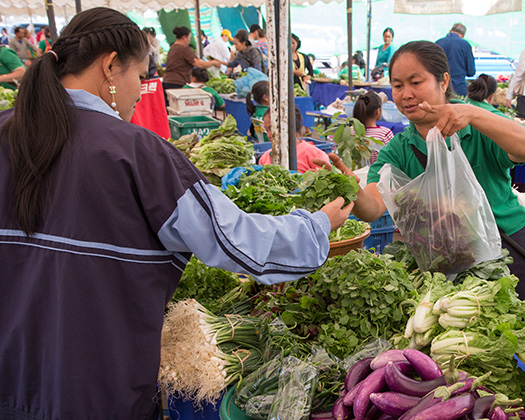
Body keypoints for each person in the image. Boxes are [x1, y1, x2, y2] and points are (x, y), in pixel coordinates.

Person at [0, 7, 352, 419]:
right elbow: (234, 240)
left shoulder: (6, 130)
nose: (141, 91)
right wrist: (317, 225)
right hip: (97, 388)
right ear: (110, 67)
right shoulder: (136, 153)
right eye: (141, 75)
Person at [315, 41, 525, 308]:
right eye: (398, 85)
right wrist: (351, 189)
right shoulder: (399, 150)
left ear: (444, 81)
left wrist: (472, 113)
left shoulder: (479, 124)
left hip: (508, 250)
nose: (406, 94)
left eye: (416, 82)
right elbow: (372, 207)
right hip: (447, 260)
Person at [258, 107, 330, 173]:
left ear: (290, 126)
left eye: (272, 129)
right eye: (267, 130)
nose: (269, 135)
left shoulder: (314, 155)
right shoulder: (265, 158)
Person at [162, 26, 221, 103]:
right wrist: (213, 62)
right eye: (189, 38)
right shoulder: (183, 49)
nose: (189, 40)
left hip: (167, 81)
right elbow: (199, 64)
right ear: (184, 37)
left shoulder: (173, 47)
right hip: (177, 82)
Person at [352, 90, 394, 163]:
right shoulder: (385, 134)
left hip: (353, 170)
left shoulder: (350, 132)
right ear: (377, 111)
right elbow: (394, 158)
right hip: (379, 170)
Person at [435, 23, 475, 97]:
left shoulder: (437, 43)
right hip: (459, 88)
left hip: (439, 88)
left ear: (450, 31)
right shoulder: (465, 45)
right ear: (462, 35)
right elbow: (471, 72)